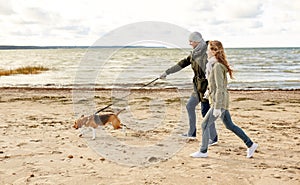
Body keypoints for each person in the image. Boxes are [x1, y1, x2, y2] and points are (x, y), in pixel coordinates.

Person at [190, 40, 258, 158]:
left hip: (219, 102)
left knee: (204, 125)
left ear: (215, 51)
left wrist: (217, 107)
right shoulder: (213, 65)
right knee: (229, 125)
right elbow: (214, 85)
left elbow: (221, 88)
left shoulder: (216, 66)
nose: (206, 51)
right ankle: (250, 144)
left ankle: (203, 151)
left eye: (209, 49)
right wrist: (207, 92)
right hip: (218, 100)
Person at [159, 32, 218, 144]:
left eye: (191, 41)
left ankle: (213, 138)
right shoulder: (194, 54)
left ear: (197, 41)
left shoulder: (207, 52)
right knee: (190, 106)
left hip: (206, 87)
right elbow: (182, 64)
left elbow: (213, 70)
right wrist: (167, 72)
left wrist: (211, 87)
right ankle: (191, 133)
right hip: (197, 87)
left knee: (205, 112)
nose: (189, 43)